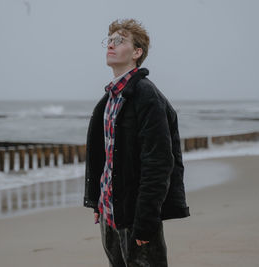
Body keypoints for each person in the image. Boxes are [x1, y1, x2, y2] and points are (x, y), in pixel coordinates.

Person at [83, 18, 190, 266]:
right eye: (109, 41)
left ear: (137, 52)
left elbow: (159, 163)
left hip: (136, 217)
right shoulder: (109, 99)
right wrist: (96, 200)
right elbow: (106, 158)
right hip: (110, 213)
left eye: (119, 41)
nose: (111, 45)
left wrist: (146, 222)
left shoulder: (146, 96)